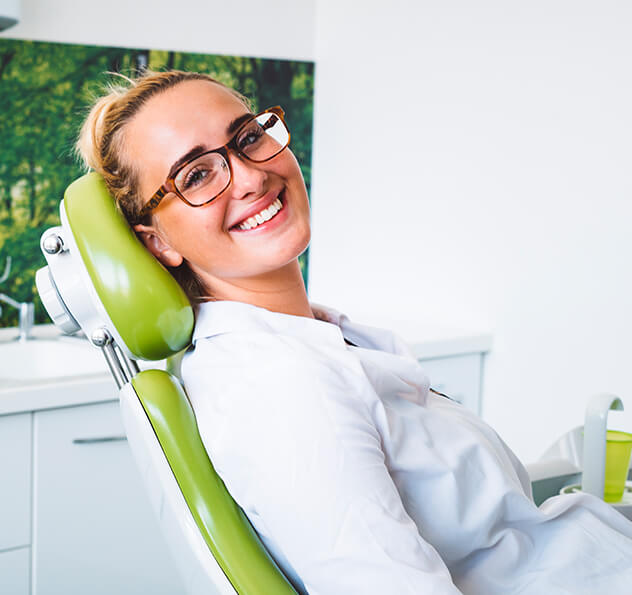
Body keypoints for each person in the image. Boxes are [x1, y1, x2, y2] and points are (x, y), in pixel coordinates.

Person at [76, 70, 632, 594]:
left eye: (247, 139)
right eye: (196, 175)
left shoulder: (313, 339)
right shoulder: (278, 385)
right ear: (158, 244)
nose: (249, 176)